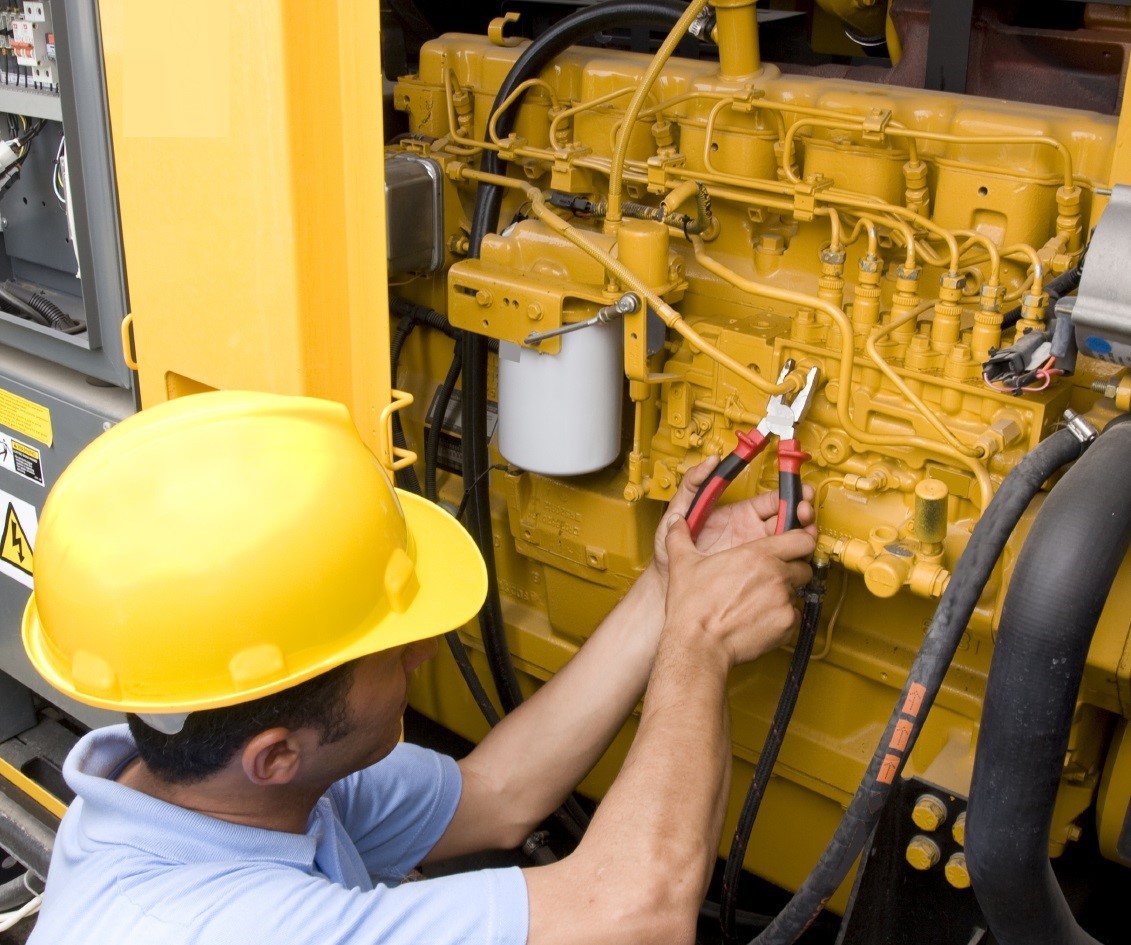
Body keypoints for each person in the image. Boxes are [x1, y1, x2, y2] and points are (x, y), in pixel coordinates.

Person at [22, 389, 815, 945]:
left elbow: (499, 794)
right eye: (390, 650)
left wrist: (670, 585)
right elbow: (633, 916)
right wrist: (698, 641)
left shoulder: (214, 791)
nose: (424, 649)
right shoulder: (218, 927)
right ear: (273, 753)